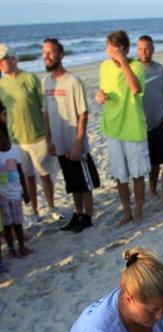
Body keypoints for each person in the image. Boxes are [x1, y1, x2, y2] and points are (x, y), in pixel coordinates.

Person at [42, 38, 100, 233]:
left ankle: (87, 216)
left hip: (75, 142)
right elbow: (46, 113)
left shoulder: (73, 81)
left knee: (84, 181)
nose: (47, 57)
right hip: (58, 142)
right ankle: (77, 213)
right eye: (44, 53)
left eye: (50, 52)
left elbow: (83, 113)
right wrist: (48, 138)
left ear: (61, 54)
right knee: (71, 182)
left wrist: (77, 142)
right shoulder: (46, 81)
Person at [0, 43, 62, 225]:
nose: (0, 64)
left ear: (13, 59)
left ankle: (51, 208)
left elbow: (44, 108)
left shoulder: (30, 78)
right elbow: (2, 111)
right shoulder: (1, 85)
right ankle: (34, 211)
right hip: (17, 140)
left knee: (44, 175)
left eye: (3, 60)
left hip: (38, 136)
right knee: (27, 178)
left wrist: (49, 135)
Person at [96, 31, 149, 226]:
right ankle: (126, 212)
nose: (110, 53)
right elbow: (104, 91)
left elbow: (135, 88)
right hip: (112, 128)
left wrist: (122, 61)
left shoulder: (137, 67)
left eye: (114, 49)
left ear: (125, 49)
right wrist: (101, 96)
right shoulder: (104, 66)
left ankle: (138, 212)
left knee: (137, 173)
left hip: (133, 128)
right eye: (108, 48)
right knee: (120, 175)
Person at [137, 35, 163, 196]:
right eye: (141, 49)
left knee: (156, 162)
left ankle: (152, 189)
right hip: (137, 125)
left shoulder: (160, 70)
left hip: (158, 122)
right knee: (139, 162)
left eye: (147, 48)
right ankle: (139, 189)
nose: (144, 52)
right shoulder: (132, 70)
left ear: (153, 50)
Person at [0, 118, 33, 259]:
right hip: (2, 195)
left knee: (18, 221)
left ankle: (22, 246)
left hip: (16, 193)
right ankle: (12, 248)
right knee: (7, 224)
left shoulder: (14, 150)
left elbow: (21, 172)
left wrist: (26, 192)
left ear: (7, 136)